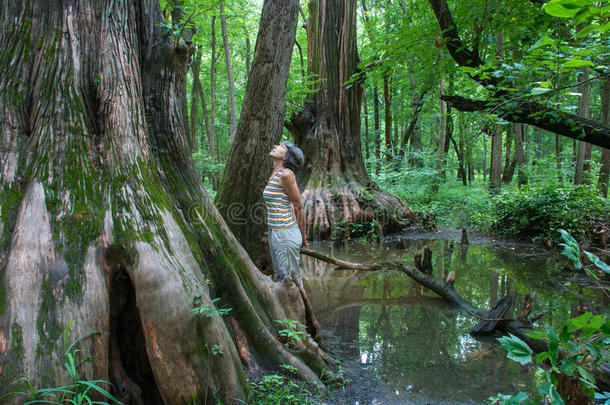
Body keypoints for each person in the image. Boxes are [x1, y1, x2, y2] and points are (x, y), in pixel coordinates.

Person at [262, 141, 307, 284]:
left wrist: (303, 236)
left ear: (286, 157)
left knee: (289, 282)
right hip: (275, 231)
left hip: (285, 233)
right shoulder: (274, 174)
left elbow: (298, 205)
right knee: (282, 277)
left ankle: (299, 306)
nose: (275, 146)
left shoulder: (286, 174)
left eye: (281, 147)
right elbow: (289, 205)